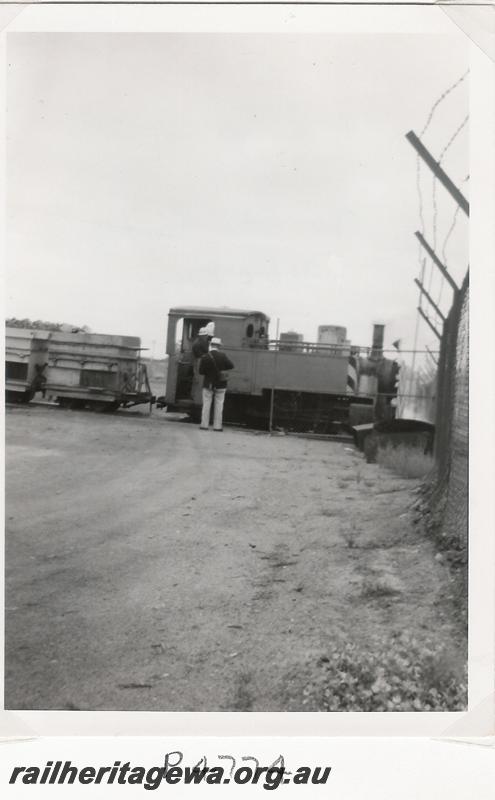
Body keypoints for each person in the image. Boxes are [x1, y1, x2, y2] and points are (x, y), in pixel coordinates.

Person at [198, 337, 234, 431]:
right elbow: (231, 366)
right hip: (221, 384)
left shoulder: (205, 356)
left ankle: (204, 425)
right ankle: (217, 426)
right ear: (219, 346)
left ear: (211, 345)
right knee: (219, 405)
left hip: (208, 384)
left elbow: (201, 371)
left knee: (206, 404)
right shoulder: (223, 355)